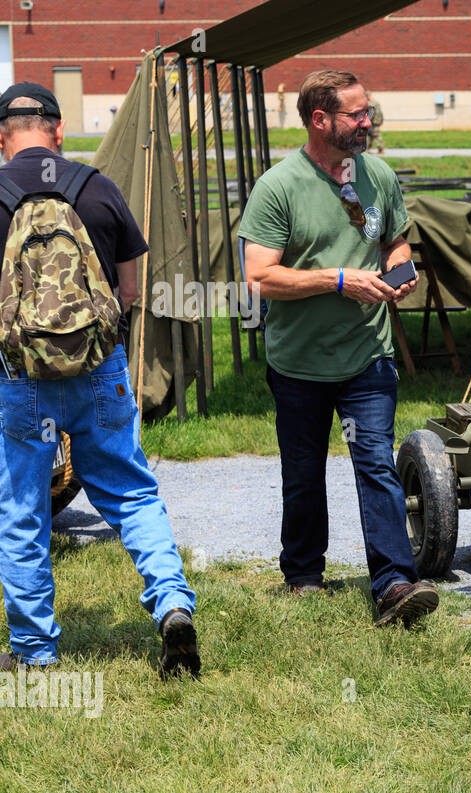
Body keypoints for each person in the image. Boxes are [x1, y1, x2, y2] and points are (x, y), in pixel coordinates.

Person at [0, 82, 200, 677]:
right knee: (133, 494)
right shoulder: (99, 188)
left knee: (22, 510)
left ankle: (34, 654)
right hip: (100, 371)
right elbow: (131, 292)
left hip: (20, 378)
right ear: (58, 132)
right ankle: (170, 603)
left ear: (1, 139)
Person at [241, 70, 440, 626]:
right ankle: (303, 576)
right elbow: (259, 277)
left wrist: (402, 268)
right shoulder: (278, 186)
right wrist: (336, 280)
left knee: (376, 462)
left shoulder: (376, 174)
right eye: (356, 114)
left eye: (368, 110)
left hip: (367, 356)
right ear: (320, 120)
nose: (367, 122)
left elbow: (394, 239)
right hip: (298, 362)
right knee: (303, 473)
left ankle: (395, 584)